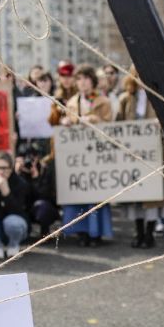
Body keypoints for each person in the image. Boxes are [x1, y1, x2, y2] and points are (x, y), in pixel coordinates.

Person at [61, 64, 114, 247]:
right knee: (79, 193)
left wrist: (94, 120)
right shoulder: (71, 102)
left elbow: (110, 126)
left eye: (86, 78)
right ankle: (81, 232)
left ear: (93, 81)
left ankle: (96, 232)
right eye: (79, 79)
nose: (82, 82)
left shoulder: (103, 101)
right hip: (78, 157)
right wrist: (66, 122)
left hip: (97, 155)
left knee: (96, 194)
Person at [118, 65, 162, 249]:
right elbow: (118, 124)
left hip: (154, 152)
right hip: (132, 153)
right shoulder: (126, 98)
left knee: (152, 196)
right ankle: (139, 232)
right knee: (136, 194)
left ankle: (150, 234)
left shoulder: (159, 96)